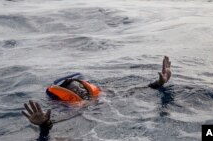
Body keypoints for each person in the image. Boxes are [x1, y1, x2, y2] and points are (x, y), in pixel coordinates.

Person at [22, 56, 171, 141]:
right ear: (67, 96)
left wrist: (159, 83)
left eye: (80, 87)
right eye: (74, 89)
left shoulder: (104, 97)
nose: (80, 89)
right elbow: (53, 124)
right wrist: (43, 125)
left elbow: (134, 92)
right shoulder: (72, 111)